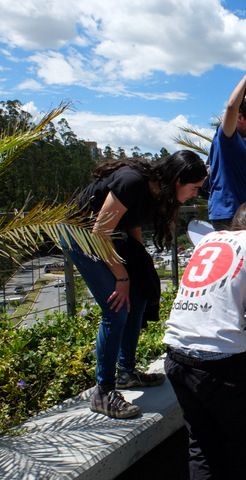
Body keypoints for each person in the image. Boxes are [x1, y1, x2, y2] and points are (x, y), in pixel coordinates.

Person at [64, 150, 207, 419]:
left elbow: (131, 221)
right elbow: (99, 233)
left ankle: (126, 372)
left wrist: (139, 261)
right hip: (81, 236)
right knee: (116, 308)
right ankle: (103, 392)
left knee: (139, 294)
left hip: (110, 236)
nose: (196, 194)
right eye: (194, 187)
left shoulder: (158, 191)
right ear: (178, 180)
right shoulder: (132, 181)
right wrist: (122, 277)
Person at [163, 199, 246, 480]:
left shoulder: (209, 238)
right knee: (236, 445)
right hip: (219, 363)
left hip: (177, 353)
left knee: (201, 445)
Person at [206, 56, 246, 230]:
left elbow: (242, 156)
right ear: (239, 117)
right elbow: (231, 106)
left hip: (241, 213)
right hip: (229, 214)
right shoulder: (226, 137)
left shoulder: (242, 143)